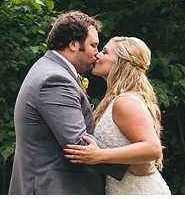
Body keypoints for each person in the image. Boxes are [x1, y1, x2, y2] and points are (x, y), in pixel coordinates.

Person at [9, 10, 128, 194]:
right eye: (93, 46)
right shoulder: (55, 79)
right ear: (73, 44)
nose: (97, 54)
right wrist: (129, 165)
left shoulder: (49, 69)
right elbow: (78, 144)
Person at [63, 37, 170, 195]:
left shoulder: (124, 101)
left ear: (122, 61)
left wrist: (100, 155)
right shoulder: (116, 100)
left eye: (105, 52)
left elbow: (152, 148)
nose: (97, 55)